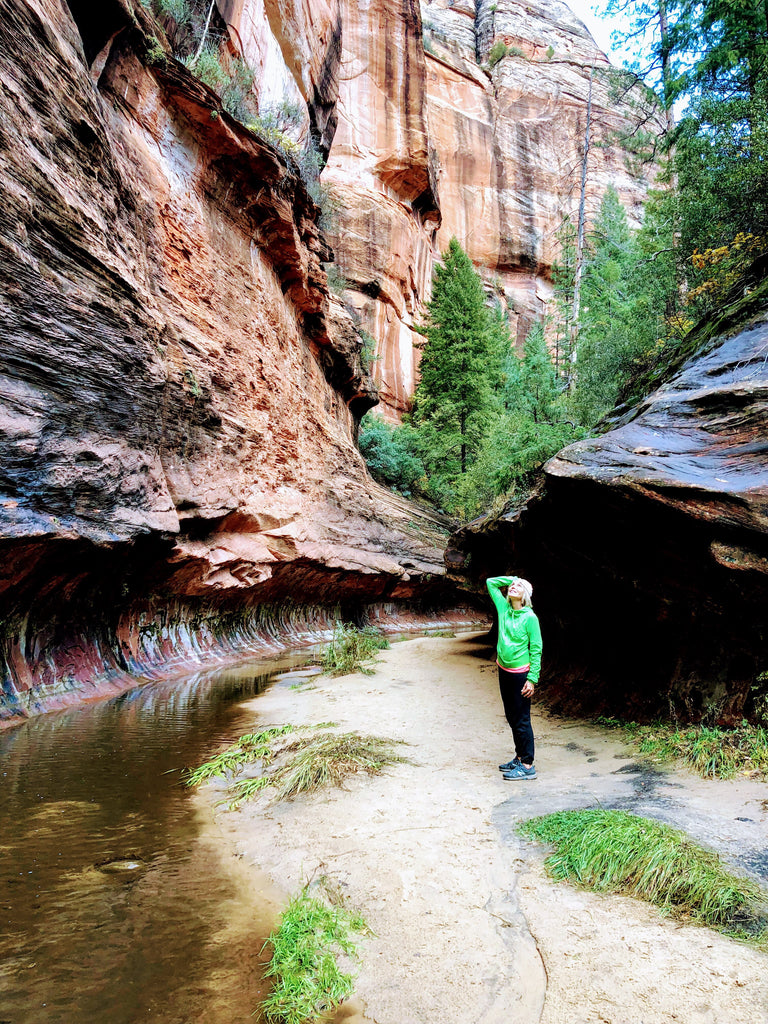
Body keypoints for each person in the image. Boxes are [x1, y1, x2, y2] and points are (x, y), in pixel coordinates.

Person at [486, 575, 542, 780]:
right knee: (511, 717)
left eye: (519, 586)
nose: (513, 587)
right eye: (512, 585)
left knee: (522, 720)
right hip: (504, 671)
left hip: (521, 676)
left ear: (525, 596)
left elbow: (536, 648)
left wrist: (532, 678)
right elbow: (491, 583)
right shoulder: (503, 609)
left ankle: (527, 765)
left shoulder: (530, 618)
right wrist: (513, 578)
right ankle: (519, 757)